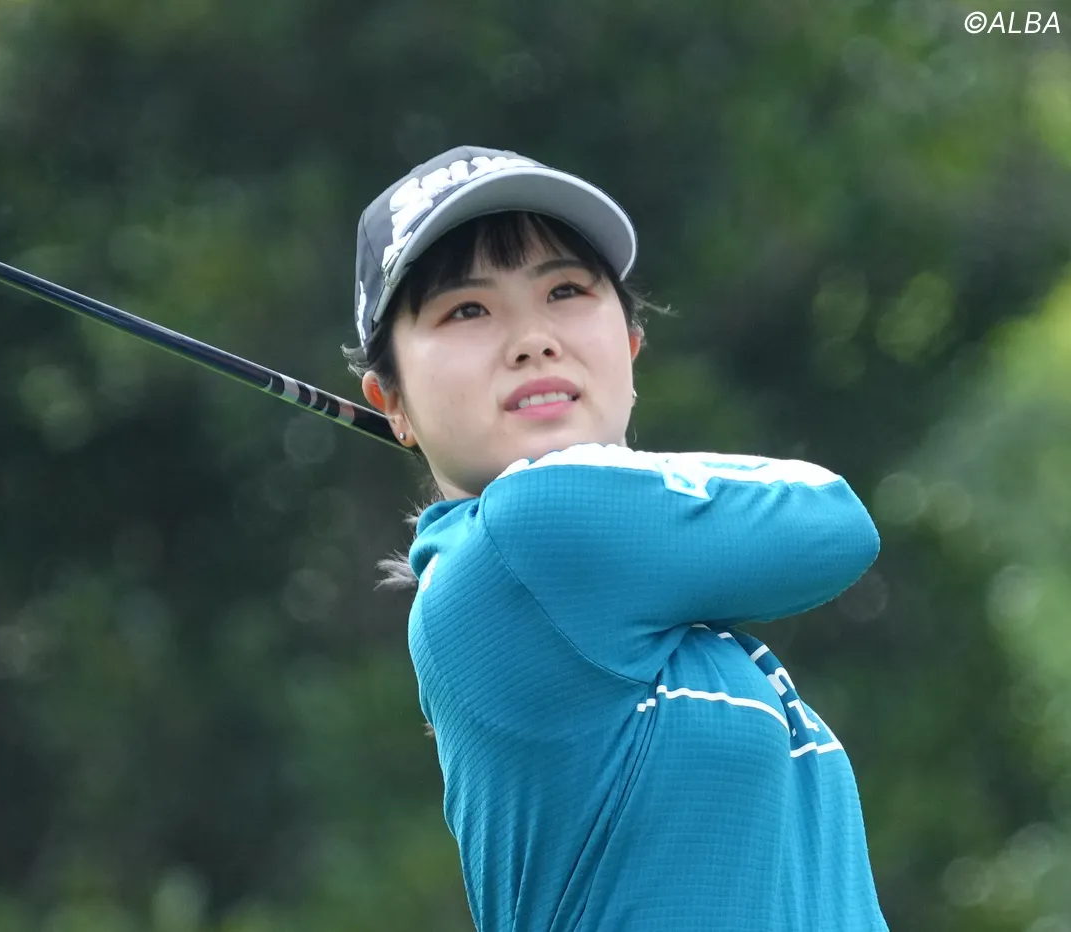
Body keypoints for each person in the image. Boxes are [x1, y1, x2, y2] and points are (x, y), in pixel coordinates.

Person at [344, 146, 887, 931]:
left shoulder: (614, 586)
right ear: (389, 399)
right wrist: (612, 459)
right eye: (466, 310)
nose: (532, 339)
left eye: (565, 291)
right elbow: (832, 518)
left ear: (630, 344)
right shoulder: (528, 538)